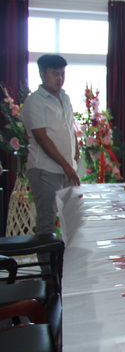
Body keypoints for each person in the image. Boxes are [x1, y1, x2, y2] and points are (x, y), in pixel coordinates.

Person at [21, 54, 80, 234]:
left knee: (71, 215)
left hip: (67, 168)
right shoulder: (35, 101)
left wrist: (75, 154)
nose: (60, 78)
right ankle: (47, 254)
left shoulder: (65, 98)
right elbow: (42, 138)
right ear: (42, 74)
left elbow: (70, 128)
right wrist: (67, 166)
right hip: (45, 168)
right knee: (47, 219)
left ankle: (67, 252)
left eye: (62, 74)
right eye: (55, 74)